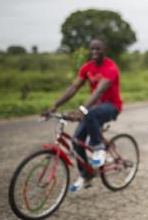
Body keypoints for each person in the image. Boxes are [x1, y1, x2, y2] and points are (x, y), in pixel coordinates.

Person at [42, 39, 122, 192]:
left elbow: (99, 90)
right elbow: (74, 87)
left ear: (105, 50)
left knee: (89, 113)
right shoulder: (87, 67)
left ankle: (99, 149)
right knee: (77, 140)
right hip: (95, 109)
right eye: (92, 49)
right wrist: (54, 106)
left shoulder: (111, 68)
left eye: (98, 49)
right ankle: (86, 175)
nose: (94, 52)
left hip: (112, 106)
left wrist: (82, 110)